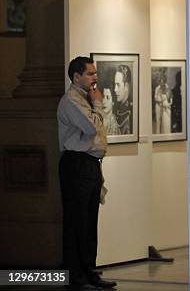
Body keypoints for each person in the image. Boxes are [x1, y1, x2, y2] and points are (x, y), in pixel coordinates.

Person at [57, 56, 117, 290]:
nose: (95, 77)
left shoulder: (85, 99)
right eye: (91, 74)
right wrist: (98, 105)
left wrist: (95, 105)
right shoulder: (72, 100)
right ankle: (76, 277)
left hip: (90, 165)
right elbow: (92, 127)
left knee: (90, 221)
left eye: (95, 73)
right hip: (76, 164)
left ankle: (90, 271)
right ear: (76, 77)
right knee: (77, 222)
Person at [113, 64, 132, 135]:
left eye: (118, 85)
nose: (115, 89)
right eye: (115, 85)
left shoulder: (132, 112)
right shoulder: (115, 108)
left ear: (126, 86)